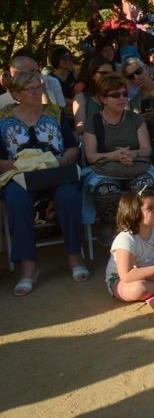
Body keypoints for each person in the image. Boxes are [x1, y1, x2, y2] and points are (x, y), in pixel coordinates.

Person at [0, 72, 89, 295]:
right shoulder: (2, 118)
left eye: (39, 87)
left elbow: (73, 146)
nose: (37, 92)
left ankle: (74, 255)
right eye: (31, 89)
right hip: (20, 175)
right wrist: (20, 166)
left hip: (56, 173)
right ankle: (28, 266)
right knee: (16, 199)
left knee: (69, 195)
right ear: (15, 94)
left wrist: (61, 160)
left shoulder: (54, 113)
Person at [83, 73, 154, 244]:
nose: (122, 98)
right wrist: (113, 156)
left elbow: (146, 149)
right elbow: (91, 156)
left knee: (145, 187)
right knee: (106, 191)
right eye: (116, 95)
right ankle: (112, 227)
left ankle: (141, 228)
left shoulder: (135, 119)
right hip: (106, 170)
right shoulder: (93, 122)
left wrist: (133, 154)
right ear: (103, 99)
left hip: (135, 167)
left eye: (124, 94)